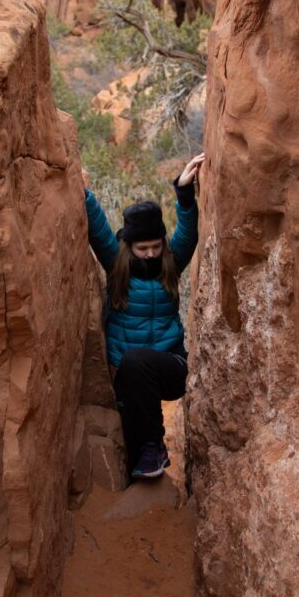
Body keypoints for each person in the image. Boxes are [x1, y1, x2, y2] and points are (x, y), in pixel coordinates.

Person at [84, 153, 204, 480]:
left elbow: (188, 232)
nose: (151, 253)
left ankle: (155, 448)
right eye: (142, 248)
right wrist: (81, 192)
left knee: (137, 362)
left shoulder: (171, 263)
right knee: (134, 435)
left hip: (170, 367)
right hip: (129, 379)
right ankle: (146, 465)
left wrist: (183, 191)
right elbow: (97, 231)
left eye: (155, 245)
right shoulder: (116, 266)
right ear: (129, 246)